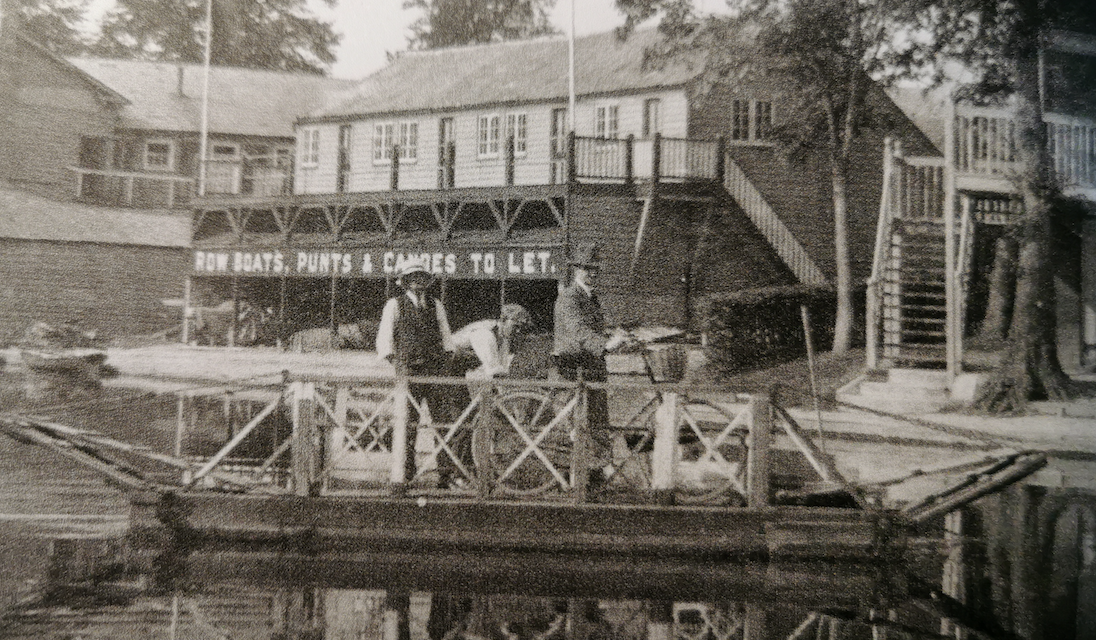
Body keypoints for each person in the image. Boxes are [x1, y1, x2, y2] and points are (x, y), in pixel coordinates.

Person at [375, 259, 463, 487]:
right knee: (407, 423)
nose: (417, 281)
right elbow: (384, 340)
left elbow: (447, 339)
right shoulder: (394, 305)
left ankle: (445, 475)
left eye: (421, 277)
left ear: (427, 281)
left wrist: (444, 365)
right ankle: (405, 474)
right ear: (405, 282)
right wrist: (398, 365)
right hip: (409, 374)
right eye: (412, 277)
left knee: (442, 422)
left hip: (435, 373)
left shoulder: (436, 305)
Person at [551, 243, 626, 486]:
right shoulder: (569, 297)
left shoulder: (591, 297)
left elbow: (594, 330)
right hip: (573, 365)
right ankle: (572, 479)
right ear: (576, 270)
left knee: (598, 420)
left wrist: (616, 339)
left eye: (595, 269)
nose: (592, 273)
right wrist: (604, 345)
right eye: (587, 268)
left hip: (592, 364)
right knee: (577, 424)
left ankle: (595, 474)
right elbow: (579, 331)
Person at [450, 303, 533, 379]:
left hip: (460, 367)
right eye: (516, 326)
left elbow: (502, 369)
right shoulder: (485, 333)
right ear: (503, 320)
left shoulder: (504, 338)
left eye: (522, 328)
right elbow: (494, 371)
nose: (518, 331)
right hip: (448, 362)